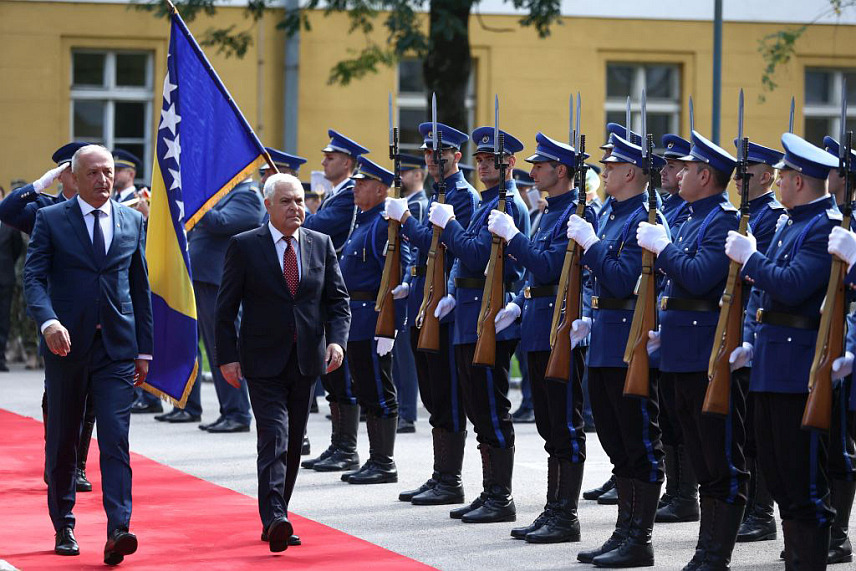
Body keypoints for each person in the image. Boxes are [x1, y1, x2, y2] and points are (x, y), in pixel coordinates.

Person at [24, 144, 153, 563]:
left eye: (108, 172)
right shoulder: (51, 219)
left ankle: (119, 527)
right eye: (93, 173)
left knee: (115, 438)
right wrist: (48, 322)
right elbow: (34, 279)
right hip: (67, 346)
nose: (102, 179)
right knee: (63, 437)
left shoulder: (132, 220)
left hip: (116, 348)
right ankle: (64, 523)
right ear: (74, 178)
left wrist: (144, 350)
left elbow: (138, 287)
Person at [215, 172, 350, 553]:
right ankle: (274, 516)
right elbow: (225, 310)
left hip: (306, 359)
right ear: (268, 205)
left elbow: (337, 301)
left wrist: (337, 342)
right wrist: (226, 358)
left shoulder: (320, 244)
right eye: (287, 202)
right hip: (261, 359)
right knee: (273, 434)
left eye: (300, 201)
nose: (297, 208)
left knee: (292, 444)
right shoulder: (244, 246)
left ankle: (279, 512)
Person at [727, 133, 840, 568]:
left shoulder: (824, 226)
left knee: (803, 481)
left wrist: (753, 259)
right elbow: (762, 295)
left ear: (800, 180)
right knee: (776, 471)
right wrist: (751, 341)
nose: (777, 182)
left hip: (799, 368)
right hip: (772, 363)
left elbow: (792, 286)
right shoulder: (795, 221)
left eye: (785, 175)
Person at [638, 130, 747, 570]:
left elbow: (700, 276)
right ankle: (705, 550)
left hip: (706, 354)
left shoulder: (721, 219)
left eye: (687, 168)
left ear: (705, 175)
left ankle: (715, 554)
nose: (678, 174)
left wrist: (663, 248)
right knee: (697, 453)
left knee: (718, 457)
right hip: (680, 351)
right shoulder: (687, 216)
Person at [488, 132, 596, 542]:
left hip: (560, 326)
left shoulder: (576, 215)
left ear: (561, 171)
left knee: (565, 424)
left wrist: (513, 237)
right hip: (537, 324)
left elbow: (551, 266)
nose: (532, 173)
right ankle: (553, 508)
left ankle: (566, 516)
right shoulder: (550, 212)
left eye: (539, 166)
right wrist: (517, 300)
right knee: (550, 427)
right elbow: (537, 274)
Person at [566, 133, 667, 567]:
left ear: (631, 173)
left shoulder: (646, 217)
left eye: (610, 167)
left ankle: (639, 539)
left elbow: (624, 278)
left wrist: (591, 244)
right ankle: (623, 530)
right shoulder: (613, 213)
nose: (603, 172)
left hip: (630, 342)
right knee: (614, 438)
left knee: (638, 440)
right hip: (606, 336)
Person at [427, 126, 529, 524]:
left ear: (510, 164)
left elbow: (472, 255)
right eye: (482, 160)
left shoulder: (507, 206)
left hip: (491, 315)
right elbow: (464, 261)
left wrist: (449, 226)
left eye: (493, 161)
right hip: (470, 312)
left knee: (491, 406)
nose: (485, 165)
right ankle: (490, 491)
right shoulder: (488, 203)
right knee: (477, 407)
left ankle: (501, 497)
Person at [384, 122, 478, 507]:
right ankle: (440, 474)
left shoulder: (463, 197)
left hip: (446, 301)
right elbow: (426, 252)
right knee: (432, 391)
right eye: (426, 153)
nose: (431, 159)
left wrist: (406, 222)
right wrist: (410, 277)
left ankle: (450, 479)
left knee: (447, 392)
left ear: (456, 156)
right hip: (425, 296)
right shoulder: (440, 193)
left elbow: (443, 247)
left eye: (437, 154)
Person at [0, 142, 97, 492]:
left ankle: (79, 464)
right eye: (77, 170)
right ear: (65, 175)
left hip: (96, 312)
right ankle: (56, 458)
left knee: (90, 394)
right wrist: (41, 183)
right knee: (58, 391)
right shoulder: (45, 208)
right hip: (57, 311)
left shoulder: (104, 209)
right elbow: (7, 209)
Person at [155, 175, 265, 429]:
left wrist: (196, 201)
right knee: (201, 346)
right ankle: (209, 409)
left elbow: (219, 222)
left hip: (220, 283)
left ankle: (237, 413)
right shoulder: (228, 195)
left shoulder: (248, 196)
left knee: (223, 348)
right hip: (203, 280)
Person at [336, 156, 410, 483]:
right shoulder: (363, 221)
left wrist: (391, 325)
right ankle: (374, 458)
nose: (356, 187)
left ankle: (384, 462)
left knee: (379, 390)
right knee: (365, 389)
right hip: (355, 319)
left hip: (373, 318)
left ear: (380, 190)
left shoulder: (383, 224)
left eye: (362, 183)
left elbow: (399, 271)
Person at [301, 129, 370, 473]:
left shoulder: (345, 197)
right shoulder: (336, 194)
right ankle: (338, 443)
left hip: (339, 291)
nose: (324, 162)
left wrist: (305, 216)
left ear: (347, 162)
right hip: (326, 289)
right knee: (330, 375)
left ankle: (347, 447)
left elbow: (316, 227)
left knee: (341, 374)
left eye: (330, 158)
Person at [729, 139, 787, 545]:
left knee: (755, 429)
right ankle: (751, 504)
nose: (739, 179)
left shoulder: (771, 217)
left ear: (769, 176)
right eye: (736, 173)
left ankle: (761, 511)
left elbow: (757, 270)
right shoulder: (740, 215)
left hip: (757, 325)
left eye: (747, 174)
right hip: (736, 323)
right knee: (740, 425)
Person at [651, 133, 699, 525]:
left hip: (692, 328)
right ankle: (676, 489)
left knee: (687, 417)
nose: (665, 172)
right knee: (669, 413)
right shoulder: (674, 210)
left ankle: (686, 493)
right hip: (669, 321)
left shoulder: (694, 215)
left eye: (672, 166)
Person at [393, 154, 428, 434]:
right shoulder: (411, 205)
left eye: (405, 172)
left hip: (417, 286)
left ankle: (407, 412)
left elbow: (411, 248)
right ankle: (400, 408)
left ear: (418, 174)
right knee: (399, 352)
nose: (400, 177)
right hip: (410, 281)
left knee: (406, 353)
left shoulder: (419, 206)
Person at [0, 188, 24, 372]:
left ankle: (0, 356)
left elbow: (17, 249)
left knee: (3, 319)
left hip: (4, 278)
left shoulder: (9, 224)